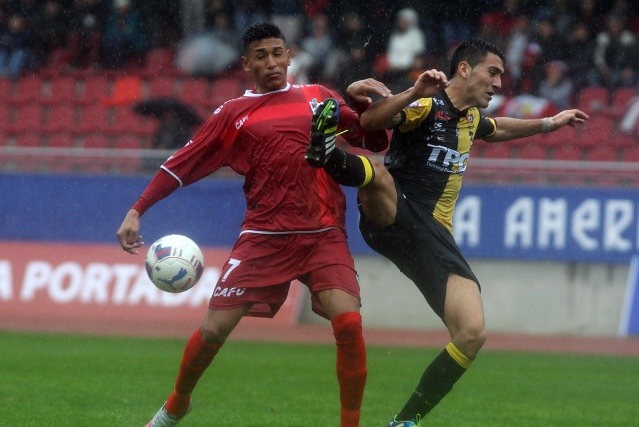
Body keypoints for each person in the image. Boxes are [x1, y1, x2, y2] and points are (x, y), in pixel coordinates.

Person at [116, 21, 391, 427]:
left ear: (289, 55)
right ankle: (177, 403)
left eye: (278, 53)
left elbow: (375, 142)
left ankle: (350, 422)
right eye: (261, 56)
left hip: (322, 234)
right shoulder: (232, 114)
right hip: (264, 238)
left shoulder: (319, 97)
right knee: (212, 333)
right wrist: (137, 209)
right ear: (246, 64)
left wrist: (366, 105)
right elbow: (182, 165)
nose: (272, 63)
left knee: (348, 322)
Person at [306, 39, 589, 426]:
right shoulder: (427, 105)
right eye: (493, 72)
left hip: (433, 237)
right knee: (380, 175)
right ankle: (328, 154)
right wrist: (412, 92)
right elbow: (372, 123)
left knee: (472, 333)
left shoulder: (471, 119)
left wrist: (547, 124)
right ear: (464, 69)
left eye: (502, 76)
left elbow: (497, 128)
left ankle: (404, 421)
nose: (499, 83)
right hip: (393, 214)